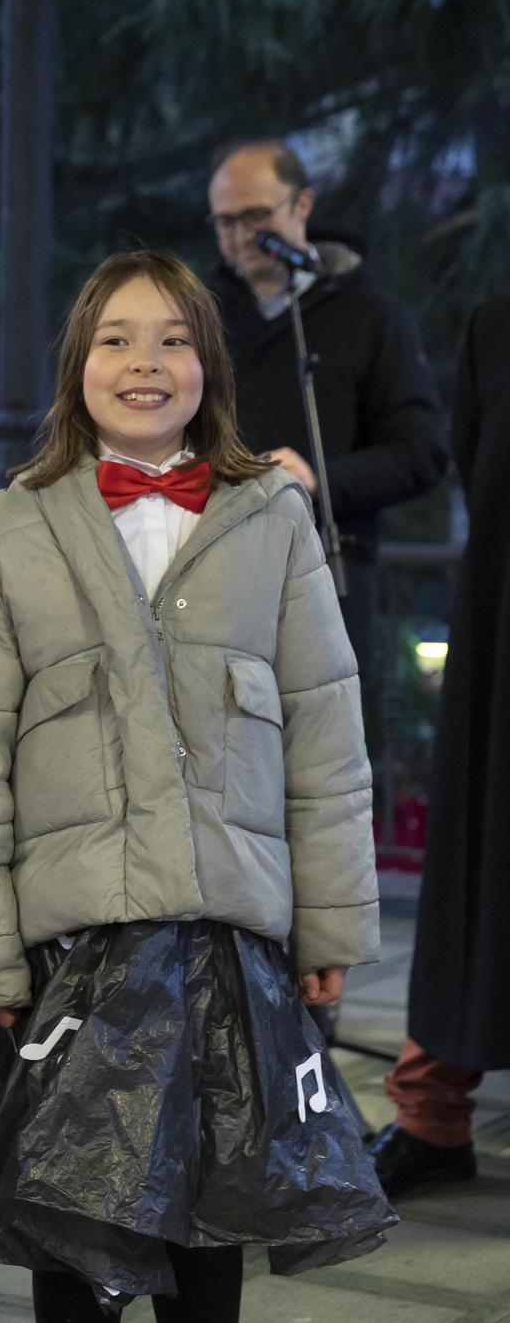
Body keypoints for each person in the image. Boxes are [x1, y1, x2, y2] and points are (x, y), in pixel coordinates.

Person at [0, 248, 395, 1320]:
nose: (142, 362)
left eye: (171, 339)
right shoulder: (11, 527)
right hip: (75, 948)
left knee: (212, 1232)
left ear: (211, 364)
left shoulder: (270, 517)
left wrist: (328, 927)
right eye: (113, 338)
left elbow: (324, 735)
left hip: (228, 939)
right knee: (73, 1236)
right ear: (76, 365)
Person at [204, 139, 447, 716]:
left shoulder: (371, 316)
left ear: (302, 205)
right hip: (213, 569)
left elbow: (423, 453)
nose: (241, 234)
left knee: (322, 761)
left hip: (328, 569)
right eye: (225, 221)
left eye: (256, 215)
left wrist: (317, 479)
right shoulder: (198, 317)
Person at [373, 295, 510, 1196]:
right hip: (504, 614)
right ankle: (434, 1114)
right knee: (478, 853)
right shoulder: (493, 318)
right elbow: (475, 452)